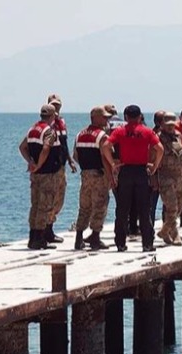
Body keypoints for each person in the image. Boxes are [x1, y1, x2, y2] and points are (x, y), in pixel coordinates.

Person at [101, 105, 163, 252]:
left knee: (122, 209)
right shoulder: (147, 131)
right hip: (141, 172)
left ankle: (120, 243)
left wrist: (112, 164)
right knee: (144, 209)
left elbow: (105, 146)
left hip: (126, 171)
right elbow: (160, 148)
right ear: (140, 116)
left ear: (126, 117)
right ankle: (147, 244)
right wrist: (154, 166)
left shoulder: (120, 131)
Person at [19, 104, 63, 250]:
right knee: (44, 206)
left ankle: (32, 237)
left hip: (35, 175)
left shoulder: (32, 129)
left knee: (35, 205)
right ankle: (39, 238)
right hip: (47, 174)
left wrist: (30, 162)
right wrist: (39, 164)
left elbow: (22, 147)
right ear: (52, 116)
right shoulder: (49, 131)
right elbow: (46, 149)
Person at [72, 105, 114, 250]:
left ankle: (78, 238)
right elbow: (105, 158)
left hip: (85, 175)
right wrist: (111, 177)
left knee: (84, 206)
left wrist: (86, 168)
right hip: (99, 175)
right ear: (95, 118)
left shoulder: (80, 134)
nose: (107, 119)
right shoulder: (102, 136)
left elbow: (75, 156)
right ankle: (95, 237)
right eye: (104, 117)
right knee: (100, 205)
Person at [45, 93, 76, 243]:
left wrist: (70, 160)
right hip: (50, 167)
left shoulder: (62, 122)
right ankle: (46, 230)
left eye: (57, 105)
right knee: (49, 198)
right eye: (53, 105)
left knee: (59, 198)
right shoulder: (46, 124)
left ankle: (50, 226)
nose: (56, 107)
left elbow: (64, 143)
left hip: (61, 165)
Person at [156, 113, 182, 245]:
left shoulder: (178, 136)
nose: (170, 128)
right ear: (162, 124)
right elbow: (153, 158)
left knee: (181, 204)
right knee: (172, 207)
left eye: (172, 125)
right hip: (165, 176)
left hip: (179, 175)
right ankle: (175, 234)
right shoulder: (158, 138)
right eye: (167, 125)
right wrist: (153, 177)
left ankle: (164, 231)